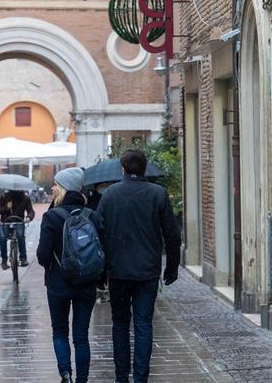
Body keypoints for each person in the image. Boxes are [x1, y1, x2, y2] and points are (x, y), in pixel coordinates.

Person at [99, 149, 181, 383]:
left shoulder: (110, 195)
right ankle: (141, 378)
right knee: (144, 323)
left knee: (120, 323)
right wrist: (172, 266)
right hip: (147, 269)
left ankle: (121, 377)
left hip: (118, 270)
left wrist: (101, 270)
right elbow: (172, 234)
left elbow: (99, 232)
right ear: (144, 168)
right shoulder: (158, 194)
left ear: (123, 168)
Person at [37, 167, 103, 383]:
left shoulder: (51, 216)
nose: (53, 187)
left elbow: (42, 255)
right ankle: (82, 379)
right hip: (86, 282)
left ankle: (66, 374)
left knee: (59, 332)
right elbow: (103, 250)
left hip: (58, 283)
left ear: (64, 188)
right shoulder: (92, 215)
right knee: (81, 336)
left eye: (56, 184)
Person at [0, 189, 35, 269]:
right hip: (5, 222)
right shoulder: (4, 197)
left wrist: (28, 217)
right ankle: (4, 260)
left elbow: (31, 211)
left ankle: (23, 258)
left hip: (19, 221)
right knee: (3, 238)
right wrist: (6, 207)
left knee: (21, 237)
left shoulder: (25, 198)